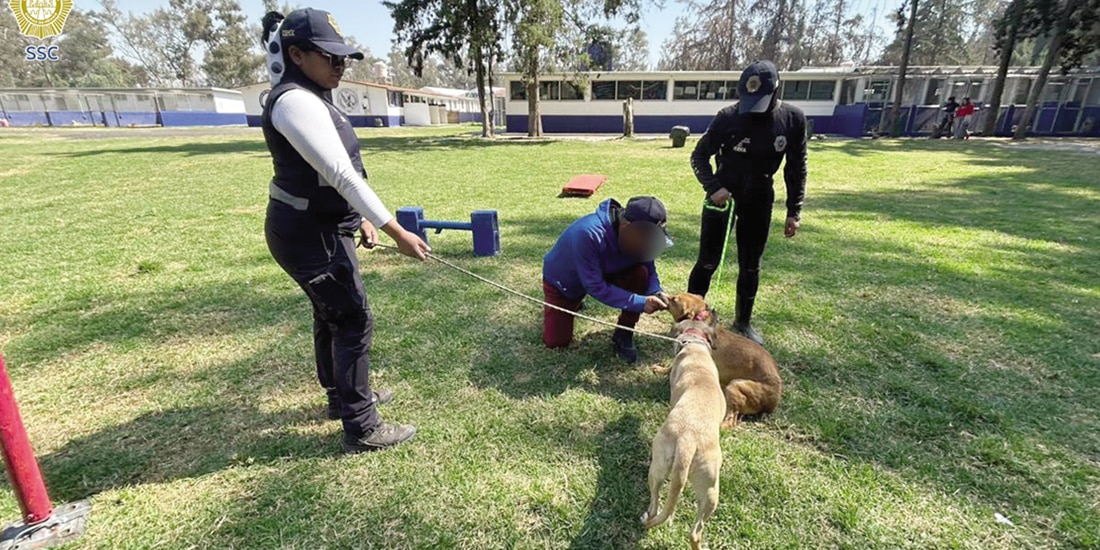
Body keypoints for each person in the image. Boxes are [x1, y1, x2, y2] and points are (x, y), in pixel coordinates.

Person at [259, 8, 430, 454]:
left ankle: (341, 397)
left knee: (331, 314)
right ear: (296, 54)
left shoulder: (313, 95)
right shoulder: (294, 101)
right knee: (351, 319)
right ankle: (362, 425)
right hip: (307, 233)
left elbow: (336, 176)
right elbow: (341, 175)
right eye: (330, 58)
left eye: (343, 59)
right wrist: (395, 230)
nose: (339, 66)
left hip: (320, 227)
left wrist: (360, 222)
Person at [687, 60, 807, 346]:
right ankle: (690, 321)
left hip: (760, 196)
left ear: (776, 91)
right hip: (723, 197)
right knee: (707, 262)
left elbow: (796, 168)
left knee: (751, 265)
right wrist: (714, 187)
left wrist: (794, 211)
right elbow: (699, 156)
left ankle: (743, 322)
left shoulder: (792, 119)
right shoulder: (727, 117)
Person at [542, 197, 672, 363]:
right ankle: (574, 302)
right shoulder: (588, 233)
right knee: (557, 342)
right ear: (626, 226)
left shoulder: (639, 238)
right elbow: (595, 286)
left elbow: (649, 269)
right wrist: (641, 302)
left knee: (640, 274)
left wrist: (655, 291)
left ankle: (624, 332)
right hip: (566, 282)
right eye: (645, 238)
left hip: (606, 274)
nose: (647, 243)